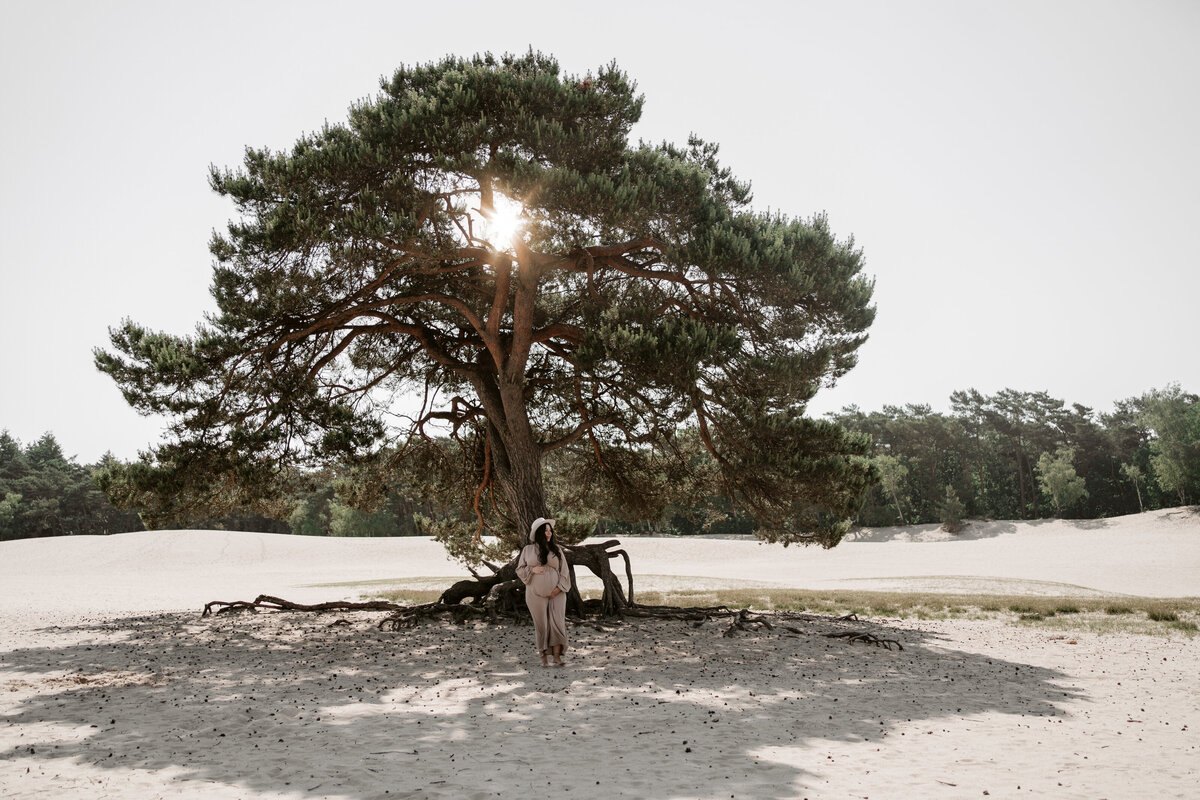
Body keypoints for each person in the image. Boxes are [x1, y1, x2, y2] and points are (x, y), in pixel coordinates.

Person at [516, 516, 571, 667]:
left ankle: (557, 657)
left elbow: (565, 572)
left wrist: (558, 589)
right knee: (542, 626)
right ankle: (544, 659)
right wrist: (533, 569)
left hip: (557, 593)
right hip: (534, 594)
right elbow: (519, 570)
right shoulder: (527, 550)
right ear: (539, 533)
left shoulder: (557, 550)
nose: (549, 533)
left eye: (550, 530)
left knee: (557, 624)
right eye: (546, 530)